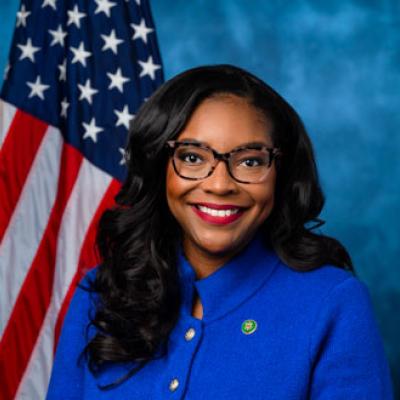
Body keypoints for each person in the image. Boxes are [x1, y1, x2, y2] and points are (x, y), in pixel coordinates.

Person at [46, 64, 394, 399]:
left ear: (281, 174)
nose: (220, 184)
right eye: (193, 157)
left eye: (250, 161)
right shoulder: (101, 292)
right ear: (159, 167)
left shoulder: (333, 302)